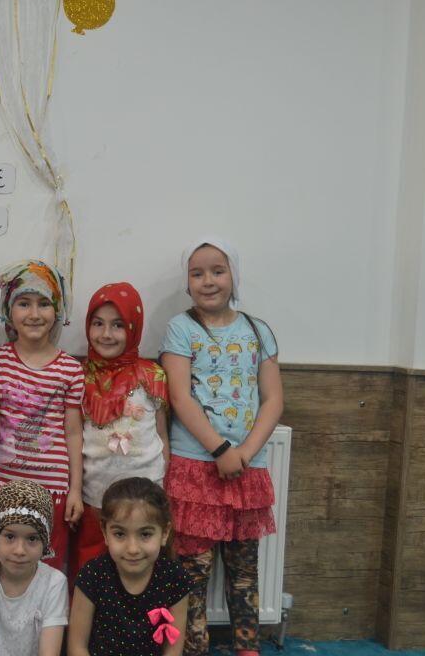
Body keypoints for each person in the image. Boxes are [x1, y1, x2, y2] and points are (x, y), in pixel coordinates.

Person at [160, 238, 284, 656]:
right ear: (187, 281)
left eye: (218, 271)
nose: (208, 281)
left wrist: (243, 454)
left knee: (244, 570)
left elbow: (273, 400)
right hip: (196, 466)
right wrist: (219, 450)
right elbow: (180, 397)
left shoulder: (257, 330)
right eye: (197, 273)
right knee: (191, 572)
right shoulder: (180, 328)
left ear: (234, 276)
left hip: (248, 467)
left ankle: (247, 647)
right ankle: (192, 647)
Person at [70, 283, 169, 578]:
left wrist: (164, 487)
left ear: (133, 328)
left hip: (146, 497)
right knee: (92, 571)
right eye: (98, 323)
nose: (106, 334)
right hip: (94, 497)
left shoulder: (152, 375)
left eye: (118, 325)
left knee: (141, 572)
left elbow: (162, 436)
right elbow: (74, 437)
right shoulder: (79, 375)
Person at [0, 260, 84, 568]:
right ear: (8, 310)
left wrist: (75, 490)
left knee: (46, 570)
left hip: (53, 492)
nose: (34, 314)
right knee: (1, 567)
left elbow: (73, 433)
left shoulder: (70, 369)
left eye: (44, 304)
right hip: (3, 486)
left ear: (58, 310)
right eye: (24, 303)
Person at [68, 478, 189, 656]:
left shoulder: (174, 578)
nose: (132, 549)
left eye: (145, 534)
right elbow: (77, 647)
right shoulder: (92, 575)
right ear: (105, 532)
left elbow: (173, 650)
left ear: (164, 533)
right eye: (120, 534)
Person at [0, 479, 69, 656]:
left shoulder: (55, 583)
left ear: (45, 544)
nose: (19, 550)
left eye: (32, 539)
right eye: (10, 537)